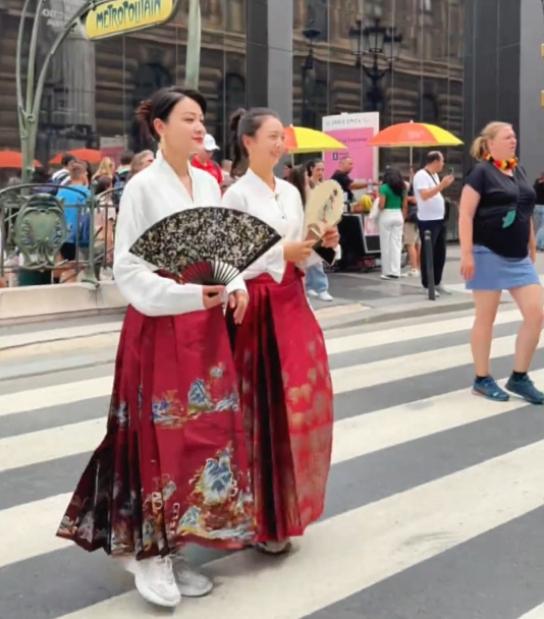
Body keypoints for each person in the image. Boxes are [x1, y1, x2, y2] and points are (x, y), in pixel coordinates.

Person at [56, 86, 253, 609]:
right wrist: (187, 295)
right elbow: (129, 268)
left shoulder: (208, 183)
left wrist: (235, 285)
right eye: (188, 118)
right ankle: (149, 550)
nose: (199, 126)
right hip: (161, 327)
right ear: (160, 127)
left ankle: (175, 544)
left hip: (206, 330)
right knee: (156, 438)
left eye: (201, 118)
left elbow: (222, 251)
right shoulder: (142, 187)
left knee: (200, 438)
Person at [223, 107, 338, 554]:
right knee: (263, 409)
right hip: (257, 306)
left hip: (292, 301)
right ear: (248, 141)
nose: (279, 144)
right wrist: (280, 253)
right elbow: (227, 261)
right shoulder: (235, 196)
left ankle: (286, 509)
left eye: (282, 137)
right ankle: (260, 518)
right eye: (271, 136)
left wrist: (322, 245)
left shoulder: (291, 191)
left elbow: (304, 249)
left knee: (300, 405)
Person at [459, 121, 543, 404]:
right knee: (486, 317)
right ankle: (482, 378)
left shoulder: (518, 169)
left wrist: (531, 243)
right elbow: (465, 214)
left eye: (514, 136)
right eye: (507, 136)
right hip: (487, 252)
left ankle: (519, 377)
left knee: (537, 314)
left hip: (519, 256)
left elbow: (524, 210)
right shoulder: (481, 172)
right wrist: (467, 253)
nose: (513, 140)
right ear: (490, 142)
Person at [413, 151, 455, 295]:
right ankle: (427, 284)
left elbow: (435, 193)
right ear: (435, 161)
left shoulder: (435, 175)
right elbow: (425, 195)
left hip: (439, 218)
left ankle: (437, 281)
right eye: (442, 161)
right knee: (428, 252)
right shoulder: (421, 175)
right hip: (427, 220)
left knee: (440, 252)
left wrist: (442, 185)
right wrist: (442, 185)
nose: (443, 164)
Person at [290, 164, 334, 301]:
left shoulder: (313, 187)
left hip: (313, 228)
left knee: (316, 260)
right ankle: (308, 288)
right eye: (305, 175)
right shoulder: (293, 192)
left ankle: (321, 288)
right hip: (301, 229)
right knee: (304, 261)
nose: (307, 176)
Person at [56, 160, 91, 281]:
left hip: (61, 232)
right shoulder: (85, 193)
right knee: (74, 268)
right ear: (83, 175)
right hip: (79, 235)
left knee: (62, 262)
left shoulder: (61, 192)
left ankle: (55, 283)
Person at [378, 167, 407, 280]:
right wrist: (403, 218)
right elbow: (405, 206)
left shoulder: (384, 188)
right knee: (396, 245)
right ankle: (396, 271)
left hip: (386, 215)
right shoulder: (403, 187)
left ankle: (387, 272)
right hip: (398, 215)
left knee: (385, 245)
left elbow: (381, 205)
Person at [403, 179, 420, 276]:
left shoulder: (409, 193)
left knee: (410, 244)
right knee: (417, 244)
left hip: (410, 219)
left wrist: (404, 217)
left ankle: (414, 268)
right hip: (418, 218)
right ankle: (417, 266)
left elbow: (405, 205)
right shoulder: (419, 191)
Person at [533, 171, 544, 250]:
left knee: (540, 226)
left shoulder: (537, 182)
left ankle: (540, 244)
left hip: (536, 207)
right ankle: (538, 244)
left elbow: (533, 191)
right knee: (542, 227)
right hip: (542, 206)